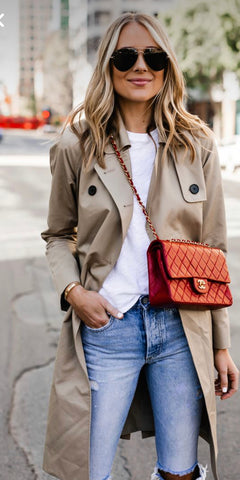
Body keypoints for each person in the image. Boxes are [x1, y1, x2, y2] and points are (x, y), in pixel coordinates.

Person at [41, 12, 239, 480]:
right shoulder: (79, 143)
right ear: (107, 65)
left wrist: (221, 346)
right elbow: (56, 235)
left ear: (167, 65)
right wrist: (75, 293)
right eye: (126, 56)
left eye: (153, 56)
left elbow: (213, 251)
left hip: (181, 329)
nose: (140, 66)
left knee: (180, 470)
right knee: (87, 469)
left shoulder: (197, 144)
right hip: (108, 327)